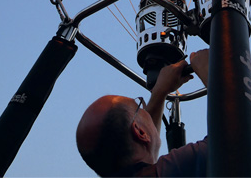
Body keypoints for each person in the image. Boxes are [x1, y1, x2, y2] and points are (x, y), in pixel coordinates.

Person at [76, 49, 209, 177]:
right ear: (140, 132)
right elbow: (225, 142)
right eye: (139, 107)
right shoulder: (172, 170)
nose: (145, 109)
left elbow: (147, 146)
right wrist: (211, 71)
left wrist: (159, 92)